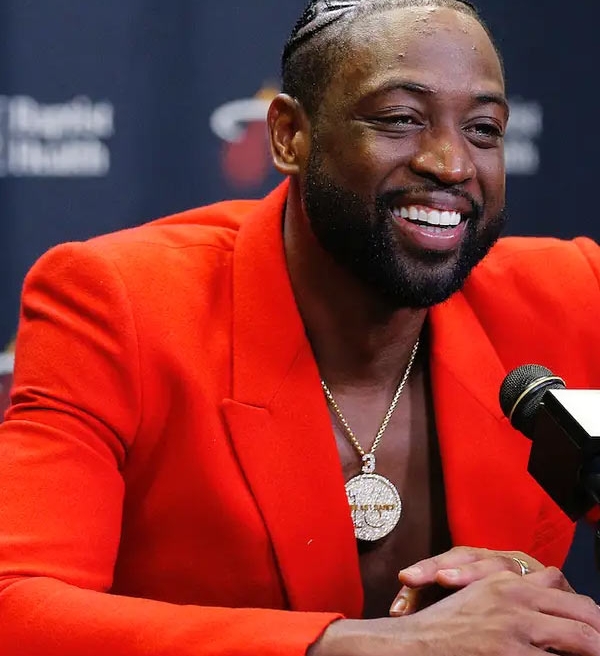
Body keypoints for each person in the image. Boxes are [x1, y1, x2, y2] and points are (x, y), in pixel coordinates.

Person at [1, 0, 600, 654]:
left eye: (483, 129)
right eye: (401, 119)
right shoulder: (118, 304)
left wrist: (536, 593)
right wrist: (379, 647)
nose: (451, 164)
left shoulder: (570, 294)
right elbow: (16, 607)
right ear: (289, 135)